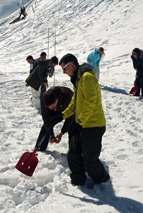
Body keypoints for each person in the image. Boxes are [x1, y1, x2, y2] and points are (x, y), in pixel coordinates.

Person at [55, 53, 109, 186]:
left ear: (71, 64)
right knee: (73, 155)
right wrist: (62, 116)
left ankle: (103, 180)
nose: (63, 72)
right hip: (83, 124)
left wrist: (79, 122)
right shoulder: (78, 79)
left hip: (94, 125)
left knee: (90, 161)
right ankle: (78, 180)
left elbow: (91, 103)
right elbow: (75, 102)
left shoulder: (87, 78)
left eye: (64, 68)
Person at [35, 86, 74, 151]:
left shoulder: (67, 97)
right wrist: (51, 134)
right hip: (57, 108)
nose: (50, 108)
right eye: (48, 107)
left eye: (52, 106)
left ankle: (73, 152)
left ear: (56, 100)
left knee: (73, 125)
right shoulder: (44, 100)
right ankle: (40, 148)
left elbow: (70, 118)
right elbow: (46, 119)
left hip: (68, 107)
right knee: (47, 125)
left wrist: (61, 133)